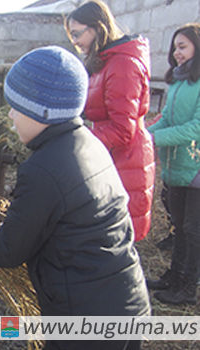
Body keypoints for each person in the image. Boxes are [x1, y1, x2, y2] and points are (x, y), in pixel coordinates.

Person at [0, 46, 150, 350]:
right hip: (124, 301)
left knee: (16, 332)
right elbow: (60, 224)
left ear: (42, 113)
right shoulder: (88, 142)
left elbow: (10, 251)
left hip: (86, 321)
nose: (10, 114)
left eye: (16, 107)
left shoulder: (42, 169)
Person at [65, 0, 155, 242]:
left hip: (126, 161)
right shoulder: (105, 61)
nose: (74, 41)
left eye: (77, 33)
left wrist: (76, 138)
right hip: (113, 157)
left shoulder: (122, 64)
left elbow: (123, 130)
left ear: (97, 28)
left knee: (119, 237)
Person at [146, 23, 200, 305]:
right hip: (178, 164)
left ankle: (188, 288)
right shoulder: (179, 81)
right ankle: (174, 276)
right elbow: (166, 118)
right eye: (175, 47)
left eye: (183, 47)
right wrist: (144, 135)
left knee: (193, 230)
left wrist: (157, 139)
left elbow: (196, 128)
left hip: (196, 165)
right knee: (179, 226)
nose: (176, 53)